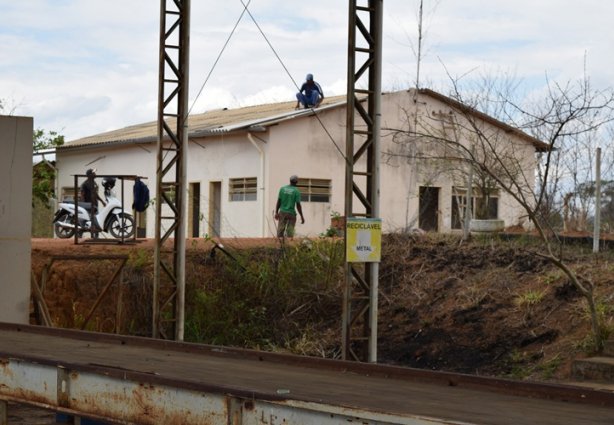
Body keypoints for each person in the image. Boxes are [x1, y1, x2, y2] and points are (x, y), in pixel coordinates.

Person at [80, 168, 102, 233]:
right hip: (88, 205)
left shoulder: (94, 183)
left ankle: (95, 236)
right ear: (90, 175)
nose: (95, 174)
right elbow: (82, 195)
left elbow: (95, 194)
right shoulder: (85, 184)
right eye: (93, 173)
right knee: (85, 219)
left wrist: (102, 201)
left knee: (96, 220)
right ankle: (80, 233)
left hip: (95, 205)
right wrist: (83, 205)